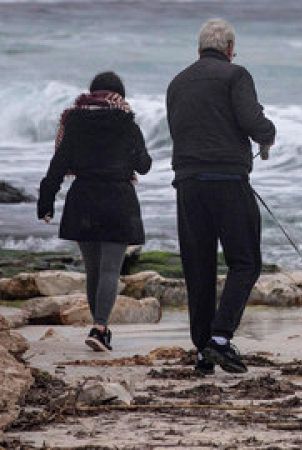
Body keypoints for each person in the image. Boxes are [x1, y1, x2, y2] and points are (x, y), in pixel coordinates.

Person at [166, 19, 276, 374]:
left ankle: (202, 350)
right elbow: (252, 122)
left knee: (198, 267)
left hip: (187, 184)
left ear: (199, 49)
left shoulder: (177, 83)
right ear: (229, 49)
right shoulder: (235, 75)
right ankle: (220, 339)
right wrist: (268, 132)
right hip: (227, 180)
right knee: (245, 262)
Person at [37, 71, 152, 352]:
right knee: (111, 269)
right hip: (117, 199)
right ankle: (100, 328)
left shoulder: (73, 123)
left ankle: (99, 328)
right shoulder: (126, 122)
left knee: (94, 271)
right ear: (119, 96)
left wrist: (46, 202)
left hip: (83, 200)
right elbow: (144, 165)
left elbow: (58, 165)